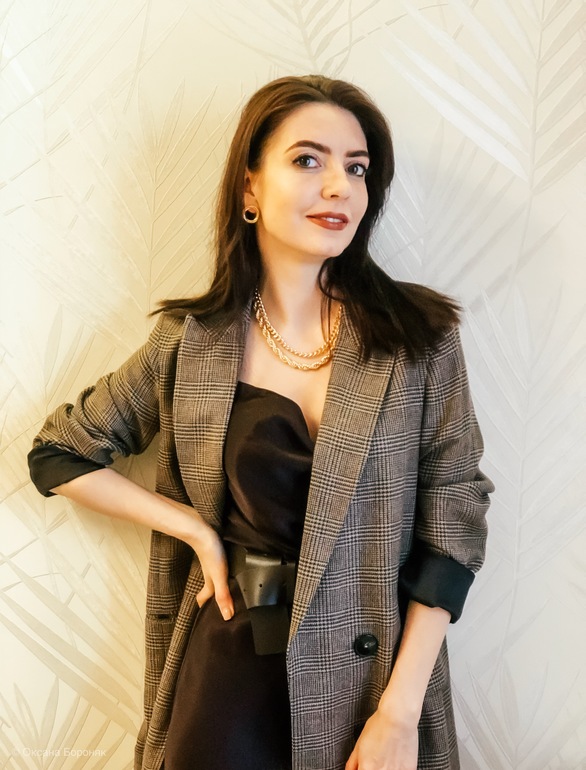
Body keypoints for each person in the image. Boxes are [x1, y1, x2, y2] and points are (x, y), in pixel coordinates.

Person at [28, 75, 493, 770]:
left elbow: (454, 524)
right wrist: (192, 528)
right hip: (225, 672)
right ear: (249, 188)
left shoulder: (418, 340)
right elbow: (58, 454)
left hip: (370, 687)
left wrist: (399, 713)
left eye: (357, 168)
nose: (339, 187)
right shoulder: (192, 342)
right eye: (308, 160)